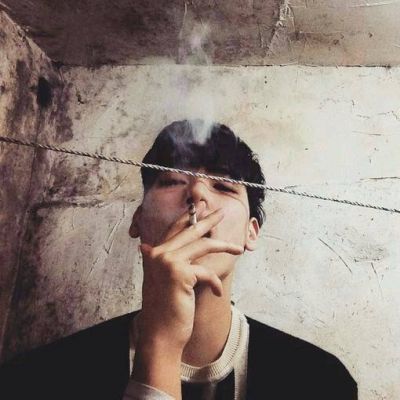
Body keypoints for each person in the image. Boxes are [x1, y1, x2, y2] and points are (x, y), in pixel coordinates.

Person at [0, 120, 357, 400]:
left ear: (251, 233)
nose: (197, 192)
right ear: (138, 220)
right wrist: (160, 343)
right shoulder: (38, 379)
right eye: (172, 181)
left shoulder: (323, 382)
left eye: (224, 186)